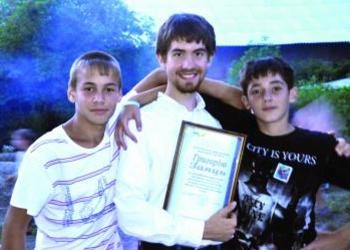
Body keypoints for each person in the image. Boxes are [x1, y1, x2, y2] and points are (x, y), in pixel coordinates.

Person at [117, 56, 350, 250]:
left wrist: (338, 239)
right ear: (245, 100)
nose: (267, 97)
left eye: (276, 89)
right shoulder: (235, 127)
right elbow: (170, 84)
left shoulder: (320, 146)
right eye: (257, 91)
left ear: (292, 94)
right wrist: (132, 102)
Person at [114, 13, 237, 250]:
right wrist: (199, 230)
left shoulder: (215, 126)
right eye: (178, 53)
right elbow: (129, 212)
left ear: (209, 58)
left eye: (198, 53)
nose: (188, 64)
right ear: (162, 58)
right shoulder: (139, 123)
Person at [1, 51, 124, 249]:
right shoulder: (45, 155)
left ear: (120, 95)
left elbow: (164, 78)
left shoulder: (116, 130)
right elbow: (14, 227)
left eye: (109, 89)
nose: (99, 99)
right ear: (71, 92)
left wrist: (133, 103)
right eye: (89, 89)